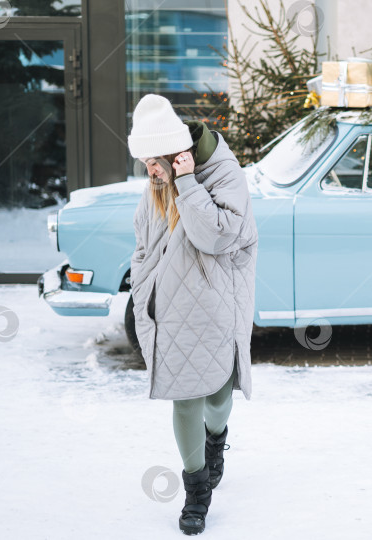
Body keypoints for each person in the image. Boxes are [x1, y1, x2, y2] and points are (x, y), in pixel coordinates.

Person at [127, 93, 258, 535]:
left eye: (153, 159)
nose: (149, 169)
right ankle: (196, 491)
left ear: (175, 151)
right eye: (144, 160)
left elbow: (218, 238)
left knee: (218, 395)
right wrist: (143, 279)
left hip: (216, 301)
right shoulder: (156, 179)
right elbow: (144, 240)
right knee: (184, 397)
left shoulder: (223, 172)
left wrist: (186, 183)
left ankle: (215, 442)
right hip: (173, 308)